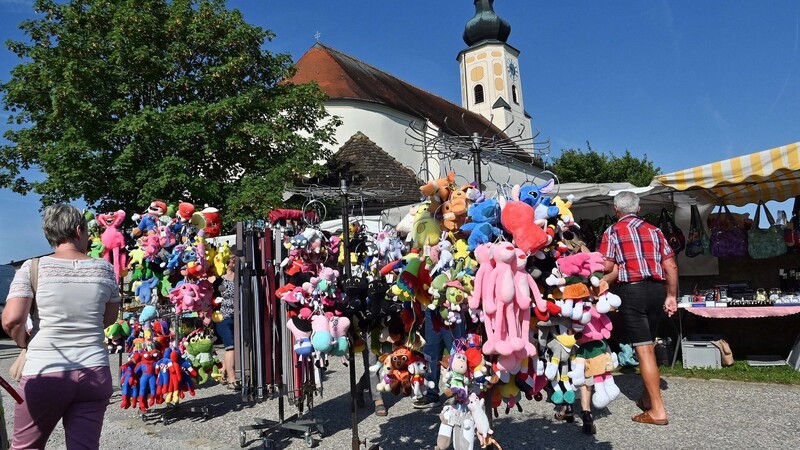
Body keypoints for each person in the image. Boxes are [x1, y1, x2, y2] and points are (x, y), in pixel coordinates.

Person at [2, 204, 121, 449]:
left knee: (27, 447)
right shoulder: (105, 269)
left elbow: (12, 319)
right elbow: (108, 319)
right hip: (94, 371)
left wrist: (24, 341)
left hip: (46, 369)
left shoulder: (33, 267)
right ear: (79, 230)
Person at [598, 191, 678, 426]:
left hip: (631, 292)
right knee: (649, 345)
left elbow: (607, 265)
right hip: (656, 291)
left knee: (643, 349)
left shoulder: (612, 231)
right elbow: (671, 265)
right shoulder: (655, 231)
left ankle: (657, 410)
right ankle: (646, 398)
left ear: (616, 209)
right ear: (639, 208)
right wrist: (671, 295)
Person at [413, 309, 465, 408]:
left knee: (457, 352)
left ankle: (460, 393)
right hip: (432, 310)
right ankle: (431, 394)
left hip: (452, 310)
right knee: (430, 353)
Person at [213, 254, 239, 389]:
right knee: (231, 347)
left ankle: (223, 372)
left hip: (236, 316)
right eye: (231, 258)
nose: (233, 260)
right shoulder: (218, 280)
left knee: (233, 347)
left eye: (235, 258)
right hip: (223, 317)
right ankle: (232, 379)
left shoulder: (239, 278)